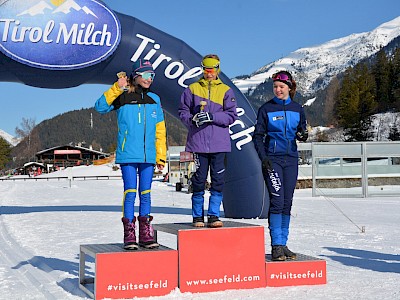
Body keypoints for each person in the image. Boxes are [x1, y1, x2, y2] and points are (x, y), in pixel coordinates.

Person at [94, 59, 166, 250]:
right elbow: (100, 106)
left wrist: (160, 155)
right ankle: (129, 232)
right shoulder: (122, 95)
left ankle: (145, 233)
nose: (150, 79)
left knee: (146, 194)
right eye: (147, 75)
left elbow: (160, 130)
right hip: (128, 154)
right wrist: (116, 88)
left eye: (153, 75)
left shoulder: (155, 99)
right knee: (130, 193)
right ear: (137, 76)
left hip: (148, 156)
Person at [252, 70, 308, 261]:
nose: (278, 90)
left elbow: (301, 130)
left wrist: (303, 134)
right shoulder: (266, 109)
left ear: (289, 88)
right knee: (277, 201)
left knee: (287, 202)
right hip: (273, 160)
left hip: (291, 159)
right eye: (275, 86)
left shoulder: (297, 108)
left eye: (281, 87)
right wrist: (264, 157)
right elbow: (257, 137)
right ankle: (276, 245)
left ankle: (283, 244)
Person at [179, 54, 237, 228]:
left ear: (218, 69)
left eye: (212, 70)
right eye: (206, 69)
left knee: (218, 180)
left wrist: (212, 116)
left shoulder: (226, 90)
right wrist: (193, 118)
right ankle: (197, 216)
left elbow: (232, 116)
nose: (209, 73)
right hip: (198, 143)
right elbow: (182, 112)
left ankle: (213, 215)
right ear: (202, 69)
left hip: (219, 144)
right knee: (198, 179)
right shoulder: (192, 89)